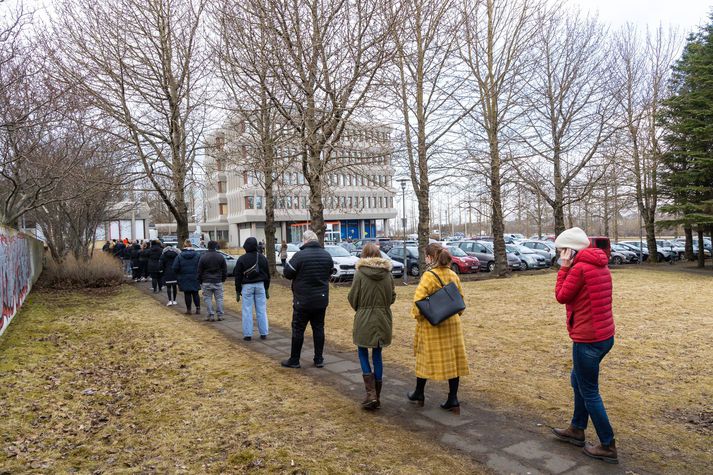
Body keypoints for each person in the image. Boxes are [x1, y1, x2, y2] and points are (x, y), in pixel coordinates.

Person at [552, 227, 617, 464]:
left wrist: (564, 267)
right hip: (604, 336)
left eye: (561, 250)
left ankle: (608, 444)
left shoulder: (579, 268)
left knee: (589, 391)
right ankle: (577, 429)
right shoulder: (601, 263)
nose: (559, 253)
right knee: (576, 379)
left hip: (588, 338)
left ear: (570, 249)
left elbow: (561, 295)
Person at [407, 243, 469, 415]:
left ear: (430, 257)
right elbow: (460, 301)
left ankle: (419, 394)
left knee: (424, 358)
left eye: (426, 256)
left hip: (433, 325)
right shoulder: (452, 274)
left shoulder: (428, 276)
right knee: (454, 361)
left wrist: (418, 317)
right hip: (453, 324)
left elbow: (418, 303)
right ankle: (453, 399)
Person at [348, 243, 396, 410]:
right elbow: (392, 297)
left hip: (364, 317)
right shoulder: (388, 274)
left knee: (362, 350)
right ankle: (377, 395)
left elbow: (353, 297)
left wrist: (362, 309)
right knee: (377, 353)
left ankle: (371, 394)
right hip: (383, 318)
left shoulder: (360, 274)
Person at [280, 230, 334, 369]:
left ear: (305, 241)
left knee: (298, 329)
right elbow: (329, 273)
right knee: (318, 328)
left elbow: (287, 273)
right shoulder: (326, 255)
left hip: (302, 300)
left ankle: (295, 359)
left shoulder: (300, 256)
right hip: (321, 299)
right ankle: (319, 359)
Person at [235, 237, 270, 340]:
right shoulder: (262, 258)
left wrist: (238, 290)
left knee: (247, 310)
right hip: (260, 286)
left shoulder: (242, 259)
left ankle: (248, 334)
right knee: (261, 310)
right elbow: (267, 275)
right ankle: (264, 333)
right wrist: (267, 288)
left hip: (247, 286)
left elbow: (238, 276)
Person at [197, 240, 227, 322]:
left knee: (207, 298)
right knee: (219, 299)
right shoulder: (220, 256)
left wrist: (200, 281)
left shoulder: (203, 257)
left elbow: (199, 270)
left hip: (206, 281)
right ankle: (220, 315)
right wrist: (223, 279)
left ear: (208, 247)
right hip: (218, 280)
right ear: (215, 247)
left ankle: (211, 315)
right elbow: (224, 270)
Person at [173, 240, 201, 315]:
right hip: (195, 276)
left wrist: (178, 274)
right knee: (195, 293)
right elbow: (201, 266)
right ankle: (198, 308)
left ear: (184, 246)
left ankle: (189, 310)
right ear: (191, 246)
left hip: (184, 277)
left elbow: (175, 267)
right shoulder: (197, 255)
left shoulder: (179, 256)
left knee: (187, 293)